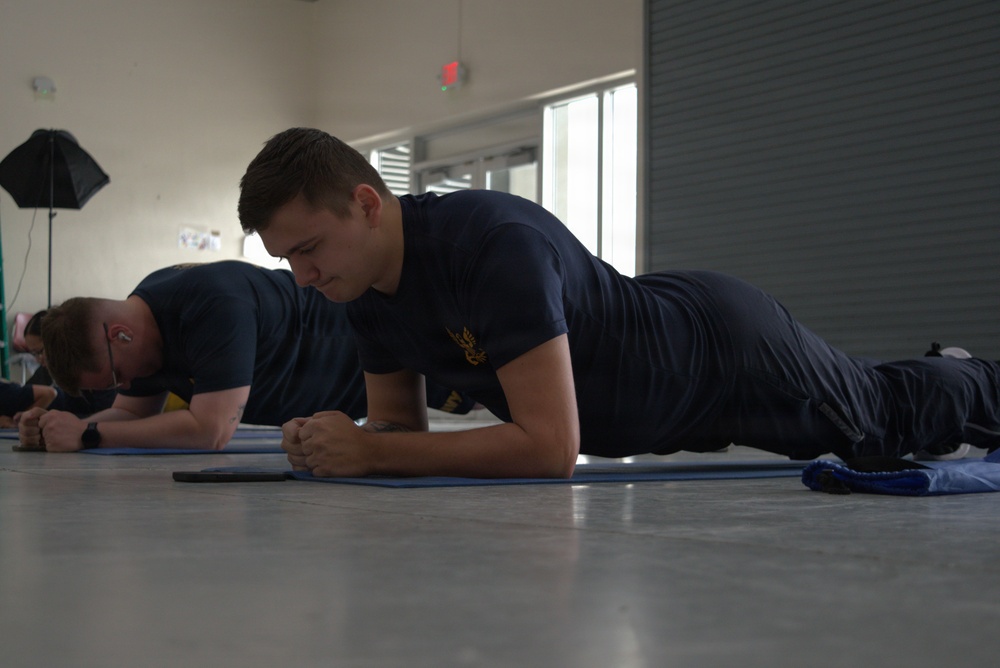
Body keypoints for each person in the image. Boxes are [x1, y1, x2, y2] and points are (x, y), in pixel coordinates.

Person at [236, 127, 1000, 480]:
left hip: (721, 355)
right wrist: (339, 442)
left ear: (366, 204)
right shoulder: (363, 290)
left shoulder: (489, 244)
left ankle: (980, 380)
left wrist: (371, 452)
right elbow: (400, 426)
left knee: (882, 420)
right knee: (873, 408)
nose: (301, 277)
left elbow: (548, 448)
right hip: (671, 381)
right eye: (284, 259)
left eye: (308, 250)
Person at [18, 261, 475, 452]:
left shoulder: (213, 302)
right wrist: (67, 426)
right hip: (377, 392)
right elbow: (130, 411)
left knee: (506, 407)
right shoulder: (140, 334)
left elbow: (212, 430)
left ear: (120, 335)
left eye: (116, 375)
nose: (124, 384)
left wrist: (90, 437)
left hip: (429, 352)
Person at [21, 310, 118, 417]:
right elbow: (24, 396)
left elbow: (110, 417)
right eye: (33, 353)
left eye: (39, 352)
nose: (37, 359)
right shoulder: (48, 371)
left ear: (58, 342)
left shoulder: (100, 369)